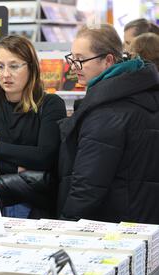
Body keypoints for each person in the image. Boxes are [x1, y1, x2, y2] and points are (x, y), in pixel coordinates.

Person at [58, 24, 159, 224]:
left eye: (80, 59)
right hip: (143, 224)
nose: (73, 66)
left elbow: (88, 186)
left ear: (108, 60)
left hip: (113, 227)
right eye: (71, 58)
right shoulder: (142, 89)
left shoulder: (106, 112)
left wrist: (66, 225)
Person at [0, 35, 66, 219]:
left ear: (31, 67)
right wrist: (16, 167)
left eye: (14, 66)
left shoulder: (50, 104)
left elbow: (45, 157)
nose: (5, 74)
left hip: (35, 204)